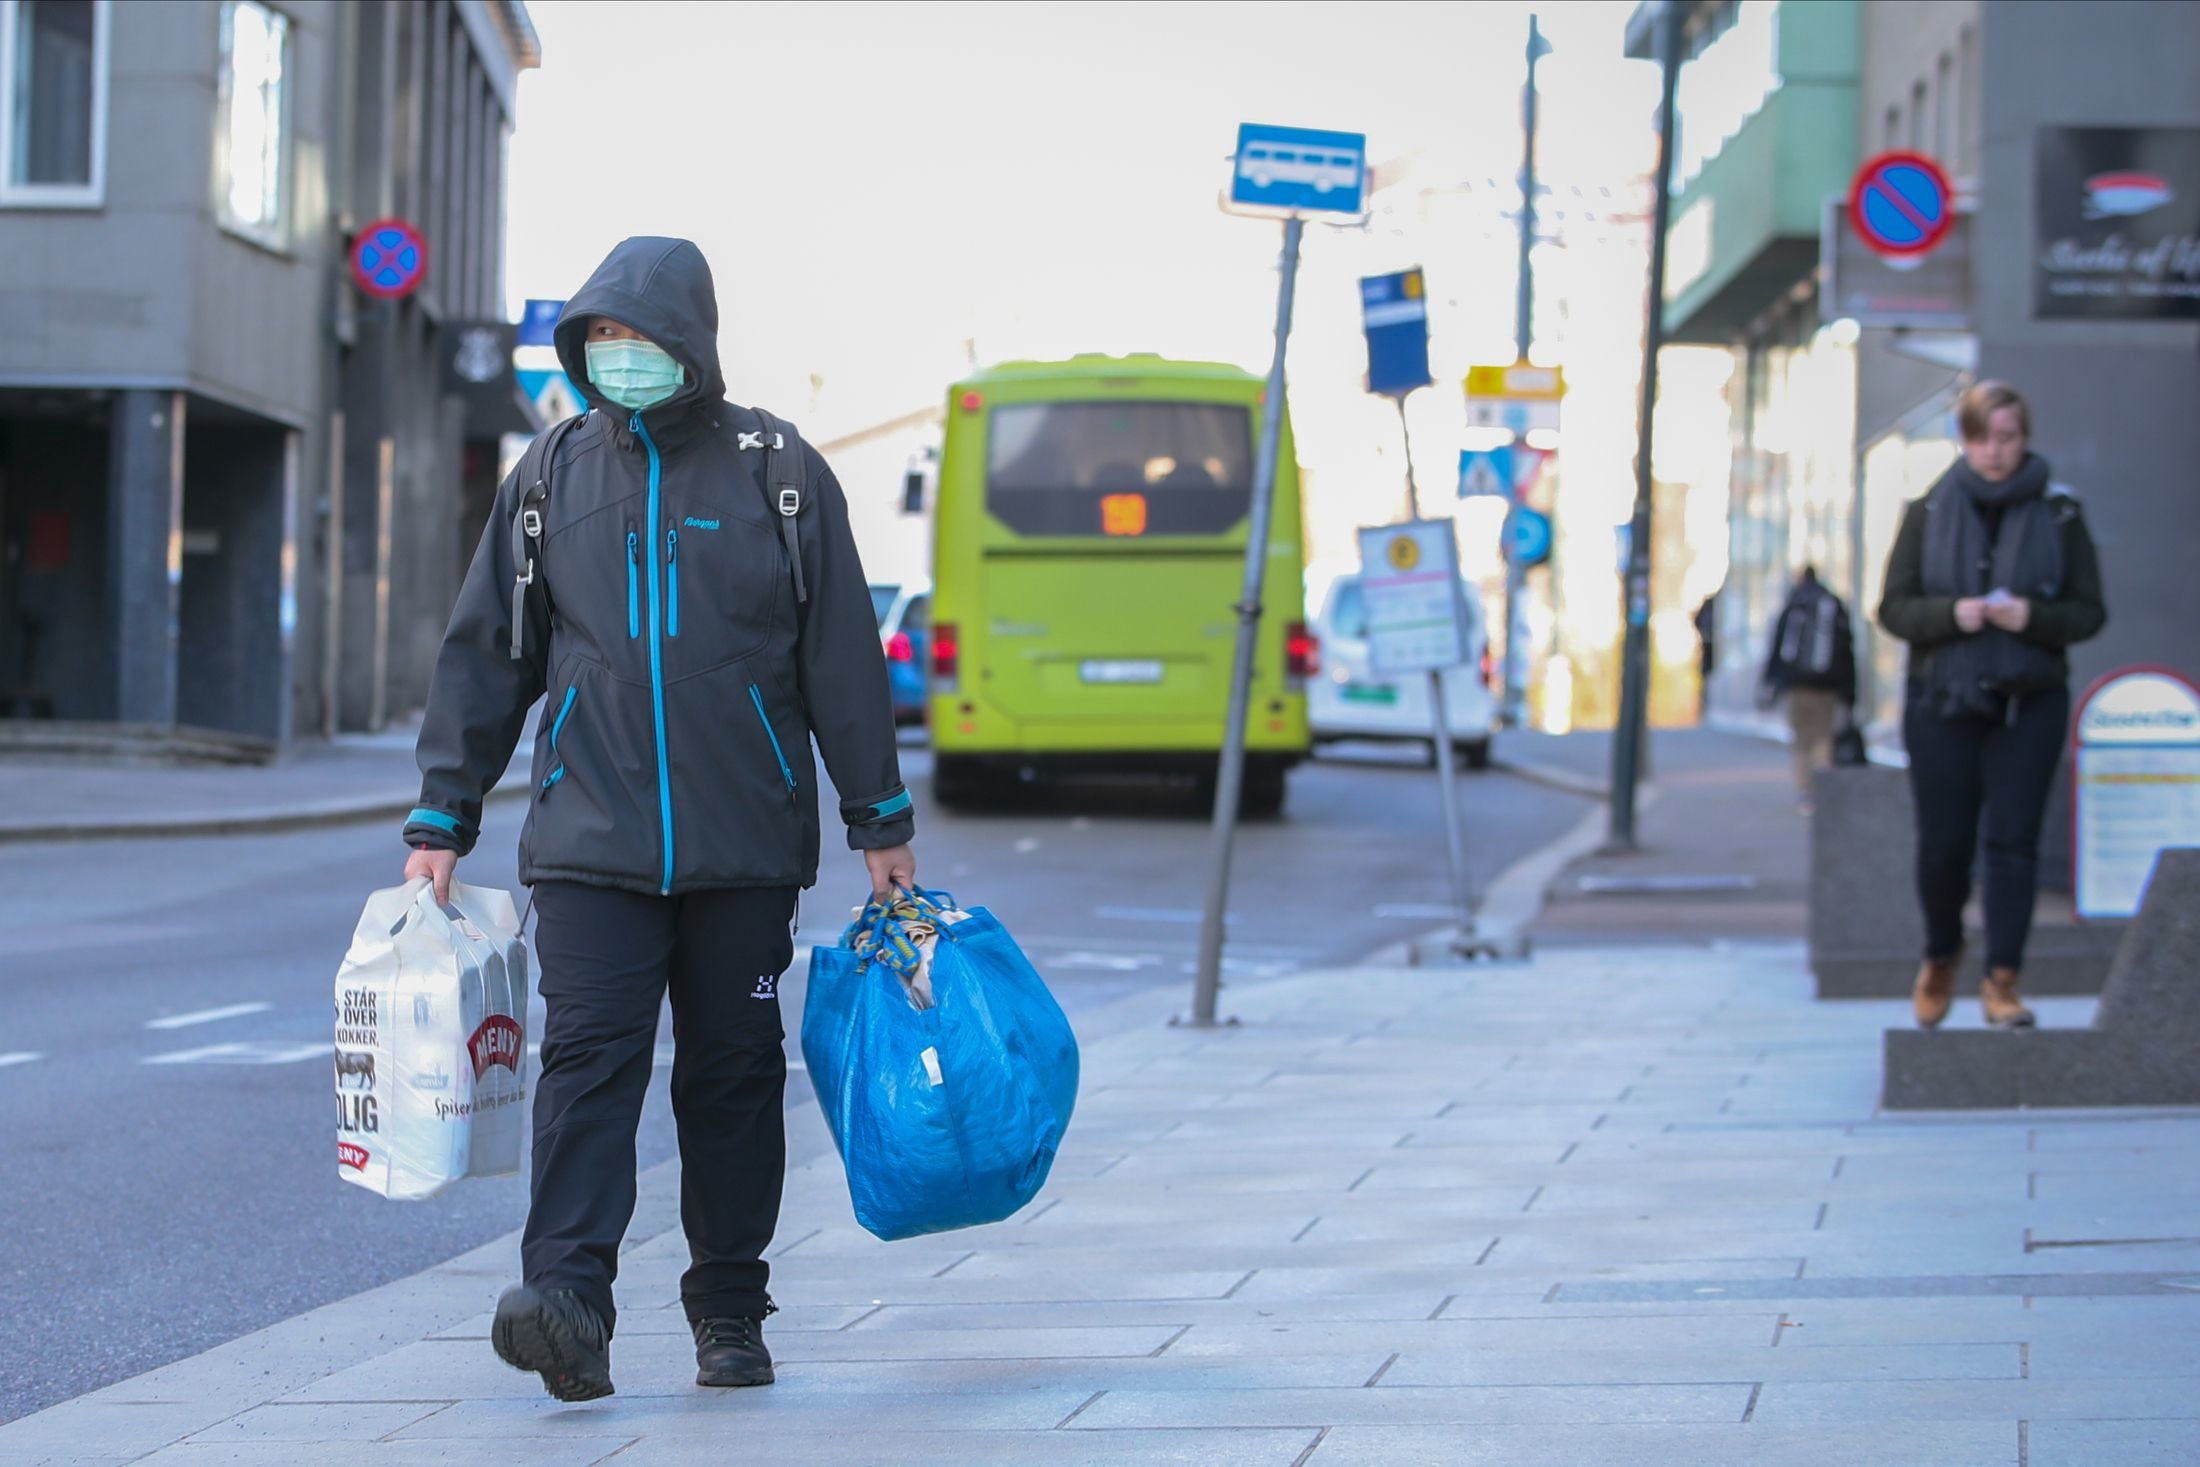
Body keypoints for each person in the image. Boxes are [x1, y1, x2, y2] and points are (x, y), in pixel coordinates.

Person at [399, 237, 915, 1401]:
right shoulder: (548, 479)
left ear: (692, 342)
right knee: (585, 1064)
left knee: (732, 1075)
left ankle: (730, 1308)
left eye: (641, 339)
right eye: (603, 342)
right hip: (590, 841)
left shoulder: (776, 470)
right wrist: (443, 815)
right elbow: (489, 653)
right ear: (583, 350)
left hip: (743, 844)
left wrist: (877, 817)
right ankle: (567, 1301)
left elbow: (841, 655)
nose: (622, 358)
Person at [1877, 380, 2106, 1031]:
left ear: (2024, 437)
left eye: (2005, 437)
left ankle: (2003, 979)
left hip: (2027, 701)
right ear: (1964, 439)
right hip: (1941, 699)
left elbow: (2090, 611)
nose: (1994, 452)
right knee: (1945, 848)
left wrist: (2031, 615)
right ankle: (1942, 952)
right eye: (1981, 437)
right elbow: (1893, 608)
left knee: (2012, 842)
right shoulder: (1929, 510)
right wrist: (1955, 613)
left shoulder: (2061, 513)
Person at [1757, 566, 1857, 810]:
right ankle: (1822, 790)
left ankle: (1805, 792)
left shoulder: (1794, 605)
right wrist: (1850, 692)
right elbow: (1847, 651)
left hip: (1797, 686)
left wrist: (1770, 683)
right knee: (1824, 738)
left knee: (1802, 741)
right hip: (1828, 687)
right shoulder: (1832, 604)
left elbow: (1777, 647)